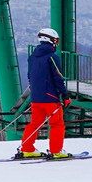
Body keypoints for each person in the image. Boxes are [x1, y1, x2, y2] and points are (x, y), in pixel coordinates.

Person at [18, 28, 70, 159]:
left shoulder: (32, 58)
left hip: (36, 97)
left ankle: (27, 149)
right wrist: (64, 95)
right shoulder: (52, 57)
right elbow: (58, 78)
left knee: (35, 123)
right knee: (57, 124)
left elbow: (30, 76)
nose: (56, 43)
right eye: (55, 40)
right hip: (51, 98)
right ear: (51, 40)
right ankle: (56, 151)